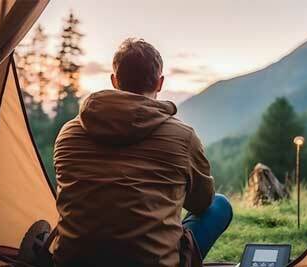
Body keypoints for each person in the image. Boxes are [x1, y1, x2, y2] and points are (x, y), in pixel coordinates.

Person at [49, 38, 232, 267]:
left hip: (73, 261)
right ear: (159, 82)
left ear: (114, 80)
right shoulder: (183, 137)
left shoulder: (69, 133)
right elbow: (202, 203)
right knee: (220, 205)